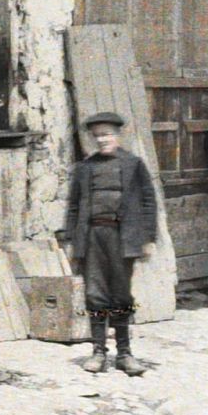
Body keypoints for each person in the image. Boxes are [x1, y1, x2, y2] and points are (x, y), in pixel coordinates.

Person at [64, 112, 159, 376]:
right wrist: (73, 240)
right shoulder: (85, 168)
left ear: (117, 135)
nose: (102, 140)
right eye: (97, 136)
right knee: (95, 294)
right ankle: (98, 352)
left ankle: (125, 354)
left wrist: (148, 238)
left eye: (107, 134)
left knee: (120, 294)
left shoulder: (133, 164)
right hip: (93, 237)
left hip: (122, 238)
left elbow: (149, 203)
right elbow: (73, 206)